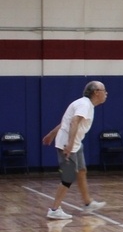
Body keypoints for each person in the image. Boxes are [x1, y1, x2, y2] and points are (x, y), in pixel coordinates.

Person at [43, 81, 108, 219]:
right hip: (68, 145)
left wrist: (52, 134)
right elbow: (74, 122)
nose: (106, 93)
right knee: (68, 177)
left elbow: (65, 122)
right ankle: (54, 210)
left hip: (76, 144)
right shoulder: (84, 105)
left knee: (82, 171)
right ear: (96, 92)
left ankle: (87, 203)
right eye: (104, 90)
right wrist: (70, 144)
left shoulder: (85, 104)